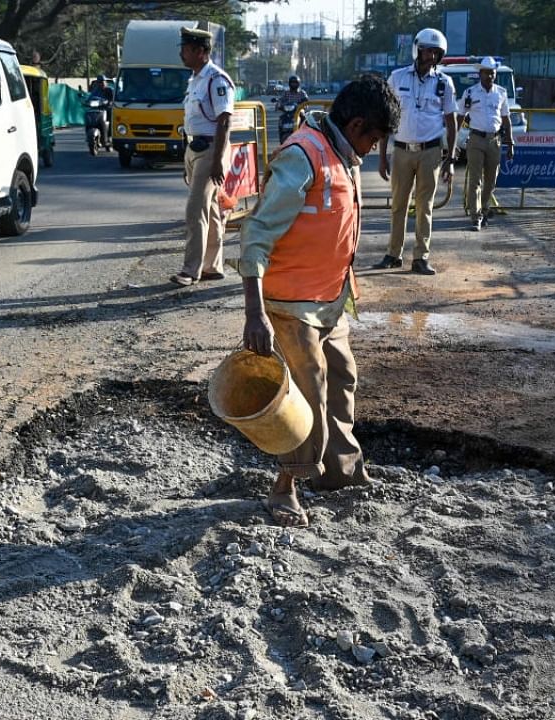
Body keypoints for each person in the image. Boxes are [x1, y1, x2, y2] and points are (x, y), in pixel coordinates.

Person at [238, 75, 400, 527]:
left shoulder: (345, 156)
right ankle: (284, 488)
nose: (374, 148)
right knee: (307, 390)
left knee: (342, 378)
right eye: (373, 138)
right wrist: (255, 313)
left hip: (330, 299)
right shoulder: (302, 156)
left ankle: (341, 472)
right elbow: (256, 235)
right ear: (356, 123)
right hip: (290, 303)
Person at [374, 28, 458, 276]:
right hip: (401, 151)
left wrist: (450, 159)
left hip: (430, 152)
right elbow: (386, 118)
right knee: (398, 205)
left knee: (425, 206)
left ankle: (421, 257)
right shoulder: (397, 78)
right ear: (417, 50)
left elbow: (451, 122)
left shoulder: (445, 83)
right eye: (427, 51)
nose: (430, 56)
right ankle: (393, 254)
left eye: (436, 52)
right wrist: (382, 156)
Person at [170, 25, 235, 287]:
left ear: (201, 51)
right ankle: (212, 266)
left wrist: (219, 159)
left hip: (210, 150)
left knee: (194, 209)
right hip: (194, 149)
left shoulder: (216, 79)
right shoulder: (195, 79)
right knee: (209, 209)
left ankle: (190, 270)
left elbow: (224, 121)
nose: (182, 54)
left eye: (186, 49)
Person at [459, 56, 514, 231]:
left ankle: (484, 209)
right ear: (480, 74)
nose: (489, 76)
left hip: (495, 141)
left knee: (491, 180)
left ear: (495, 74)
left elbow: (506, 119)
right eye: (485, 73)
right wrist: (453, 140)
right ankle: (475, 216)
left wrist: (510, 142)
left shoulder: (501, 93)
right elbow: (460, 116)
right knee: (475, 180)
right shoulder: (470, 93)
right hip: (476, 139)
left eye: (492, 73)